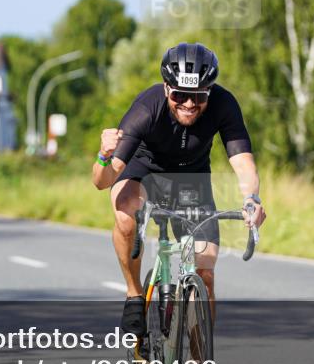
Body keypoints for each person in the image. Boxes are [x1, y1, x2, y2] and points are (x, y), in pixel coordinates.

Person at [91, 42, 266, 339]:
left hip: (191, 181)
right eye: (180, 95)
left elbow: (243, 163)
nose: (188, 103)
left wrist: (251, 199)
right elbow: (102, 180)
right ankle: (134, 294)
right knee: (125, 214)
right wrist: (103, 156)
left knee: (206, 274)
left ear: (209, 90)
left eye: (198, 96)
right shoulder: (146, 109)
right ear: (166, 88)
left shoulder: (224, 104)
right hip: (144, 173)